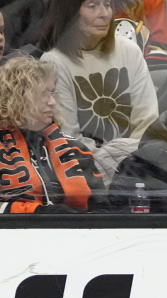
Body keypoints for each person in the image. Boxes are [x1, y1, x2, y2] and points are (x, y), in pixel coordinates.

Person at [38, 0, 160, 183]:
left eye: (108, 5)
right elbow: (68, 138)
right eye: (92, 5)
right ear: (71, 12)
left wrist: (125, 156)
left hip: (137, 168)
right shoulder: (54, 62)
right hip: (88, 175)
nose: (104, 14)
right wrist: (112, 158)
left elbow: (148, 124)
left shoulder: (130, 52)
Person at [0, 56, 106, 213]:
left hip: (78, 234)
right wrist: (39, 214)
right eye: (43, 94)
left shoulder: (76, 149)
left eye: (52, 93)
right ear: (18, 96)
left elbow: (102, 208)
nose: (52, 102)